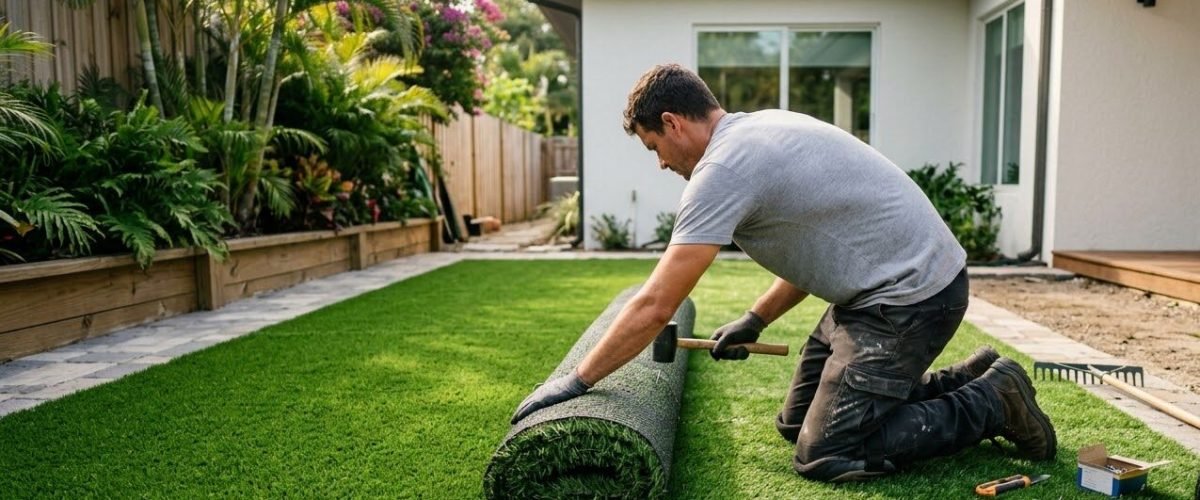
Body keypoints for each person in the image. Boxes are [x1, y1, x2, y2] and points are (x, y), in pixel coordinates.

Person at [509, 63, 1056, 482]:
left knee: (826, 453)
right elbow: (814, 247)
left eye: (655, 146)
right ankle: (970, 376)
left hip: (911, 300)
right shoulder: (760, 128)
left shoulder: (722, 169)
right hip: (876, 296)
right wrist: (755, 318)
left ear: (672, 123)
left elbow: (656, 305)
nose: (660, 163)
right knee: (796, 425)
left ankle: (994, 400)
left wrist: (577, 380)